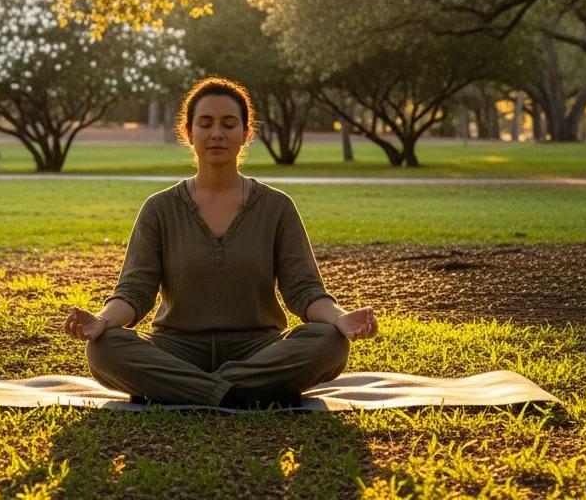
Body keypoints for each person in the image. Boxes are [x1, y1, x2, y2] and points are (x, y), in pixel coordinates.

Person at [62, 76, 378, 408]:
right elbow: (134, 292)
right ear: (188, 132)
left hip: (258, 348)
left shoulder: (276, 207)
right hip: (176, 350)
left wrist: (340, 318)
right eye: (206, 123)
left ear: (245, 133)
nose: (217, 134)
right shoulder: (159, 209)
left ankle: (193, 390)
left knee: (329, 341)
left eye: (229, 124)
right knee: (104, 348)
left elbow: (304, 291)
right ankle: (242, 392)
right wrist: (102, 321)